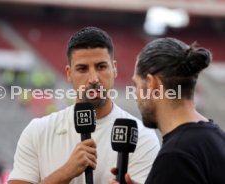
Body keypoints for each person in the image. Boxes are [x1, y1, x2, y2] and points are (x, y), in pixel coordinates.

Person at [8, 27, 160, 184]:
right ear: (69, 73)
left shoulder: (142, 136)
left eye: (101, 67)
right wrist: (65, 172)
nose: (93, 78)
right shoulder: (38, 131)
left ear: (114, 69)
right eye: (82, 69)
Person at [110, 37, 225, 184]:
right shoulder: (217, 137)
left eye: (136, 85)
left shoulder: (175, 156)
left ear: (152, 84)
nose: (135, 94)